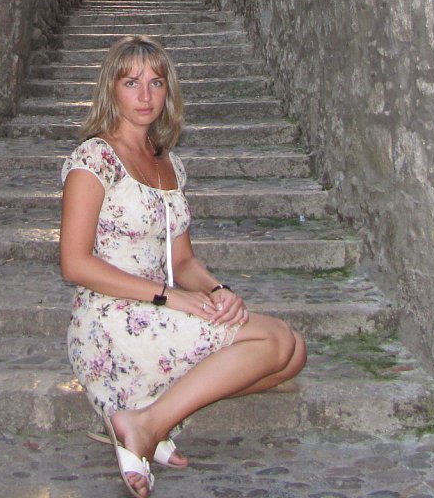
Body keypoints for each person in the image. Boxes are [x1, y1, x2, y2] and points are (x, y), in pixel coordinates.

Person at [58, 34, 307, 497]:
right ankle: (145, 427)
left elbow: (183, 260)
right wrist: (170, 297)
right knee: (275, 341)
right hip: (110, 317)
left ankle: (148, 414)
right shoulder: (93, 159)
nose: (145, 95)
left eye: (156, 83)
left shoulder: (168, 163)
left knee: (295, 355)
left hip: (161, 308)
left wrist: (218, 291)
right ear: (111, 90)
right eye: (131, 83)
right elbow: (74, 264)